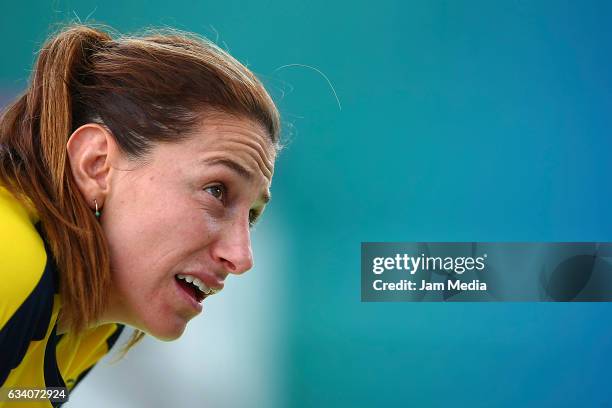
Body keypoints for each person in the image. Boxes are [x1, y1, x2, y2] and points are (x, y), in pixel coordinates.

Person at [0, 23, 280, 407]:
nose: (241, 258)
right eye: (216, 191)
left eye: (250, 216)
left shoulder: (97, 320)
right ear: (96, 164)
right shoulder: (9, 260)